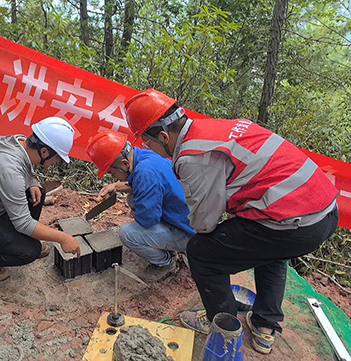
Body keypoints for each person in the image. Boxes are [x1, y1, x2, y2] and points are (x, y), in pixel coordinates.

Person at [124, 89, 339, 354]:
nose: (149, 149)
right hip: (323, 211)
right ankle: (265, 328)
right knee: (272, 250)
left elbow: (204, 225)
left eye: (147, 143)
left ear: (163, 136)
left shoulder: (192, 157)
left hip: (295, 223)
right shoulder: (214, 128)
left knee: (202, 253)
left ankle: (223, 326)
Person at [0, 116, 81, 281]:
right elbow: (23, 223)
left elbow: (24, 170)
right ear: (44, 151)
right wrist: (63, 238)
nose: (57, 161)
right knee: (30, 251)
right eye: (57, 157)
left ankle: (16, 239)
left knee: (37, 192)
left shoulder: (19, 142)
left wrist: (32, 182)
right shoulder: (9, 171)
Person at [86, 131, 195, 280]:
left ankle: (165, 262)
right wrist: (116, 186)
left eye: (112, 173)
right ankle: (165, 244)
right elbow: (142, 183)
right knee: (132, 198)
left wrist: (140, 212)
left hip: (189, 234)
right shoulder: (146, 157)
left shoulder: (145, 173)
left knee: (128, 234)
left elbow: (147, 220)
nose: (113, 177)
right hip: (187, 216)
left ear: (124, 164)